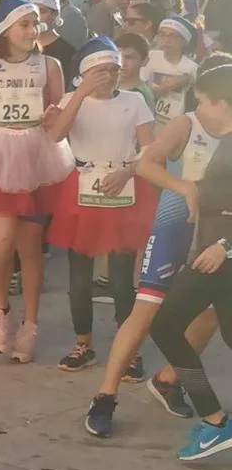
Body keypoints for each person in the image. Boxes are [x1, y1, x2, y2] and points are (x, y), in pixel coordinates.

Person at [0, 0, 74, 363]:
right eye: (25, 23)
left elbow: (57, 118)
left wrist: (57, 112)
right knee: (2, 243)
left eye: (35, 23)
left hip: (37, 157)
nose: (32, 30)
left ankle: (31, 324)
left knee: (30, 247)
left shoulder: (49, 65)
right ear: (7, 29)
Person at [44, 36, 156, 371]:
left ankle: (128, 348)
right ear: (86, 73)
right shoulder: (71, 99)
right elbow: (55, 135)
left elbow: (150, 148)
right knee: (79, 279)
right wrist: (78, 94)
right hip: (83, 189)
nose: (109, 76)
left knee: (122, 281)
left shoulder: (135, 100)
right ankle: (83, 344)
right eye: (102, 70)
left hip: (122, 187)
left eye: (115, 69)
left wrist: (129, 171)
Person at [148, 76, 232, 461]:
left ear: (224, 104)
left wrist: (225, 246)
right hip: (211, 258)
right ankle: (215, 420)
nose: (197, 112)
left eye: (203, 104)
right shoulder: (223, 145)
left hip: (220, 261)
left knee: (164, 326)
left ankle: (215, 421)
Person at [145, 16, 199, 124]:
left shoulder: (191, 67)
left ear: (184, 41)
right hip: (148, 117)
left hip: (173, 123)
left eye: (173, 36)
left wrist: (186, 78)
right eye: (163, 34)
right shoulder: (151, 57)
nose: (166, 40)